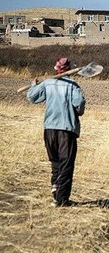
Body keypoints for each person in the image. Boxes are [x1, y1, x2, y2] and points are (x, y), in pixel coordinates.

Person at [27, 58, 86, 207]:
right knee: (66, 164)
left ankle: (55, 191)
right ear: (69, 69)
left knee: (55, 162)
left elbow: (31, 97)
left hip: (49, 129)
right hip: (66, 129)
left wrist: (34, 85)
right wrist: (76, 112)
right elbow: (79, 106)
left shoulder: (47, 83)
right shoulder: (73, 86)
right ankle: (61, 199)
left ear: (56, 69)